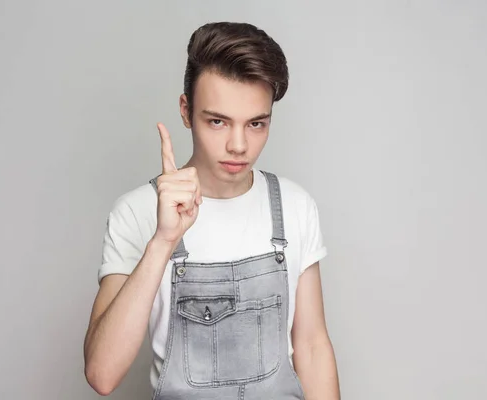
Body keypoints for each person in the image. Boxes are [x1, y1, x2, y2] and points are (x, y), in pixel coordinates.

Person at [84, 21, 340, 399]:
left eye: (256, 124)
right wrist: (163, 241)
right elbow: (102, 374)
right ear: (186, 112)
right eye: (217, 121)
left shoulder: (295, 206)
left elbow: (313, 347)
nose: (238, 145)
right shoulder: (137, 212)